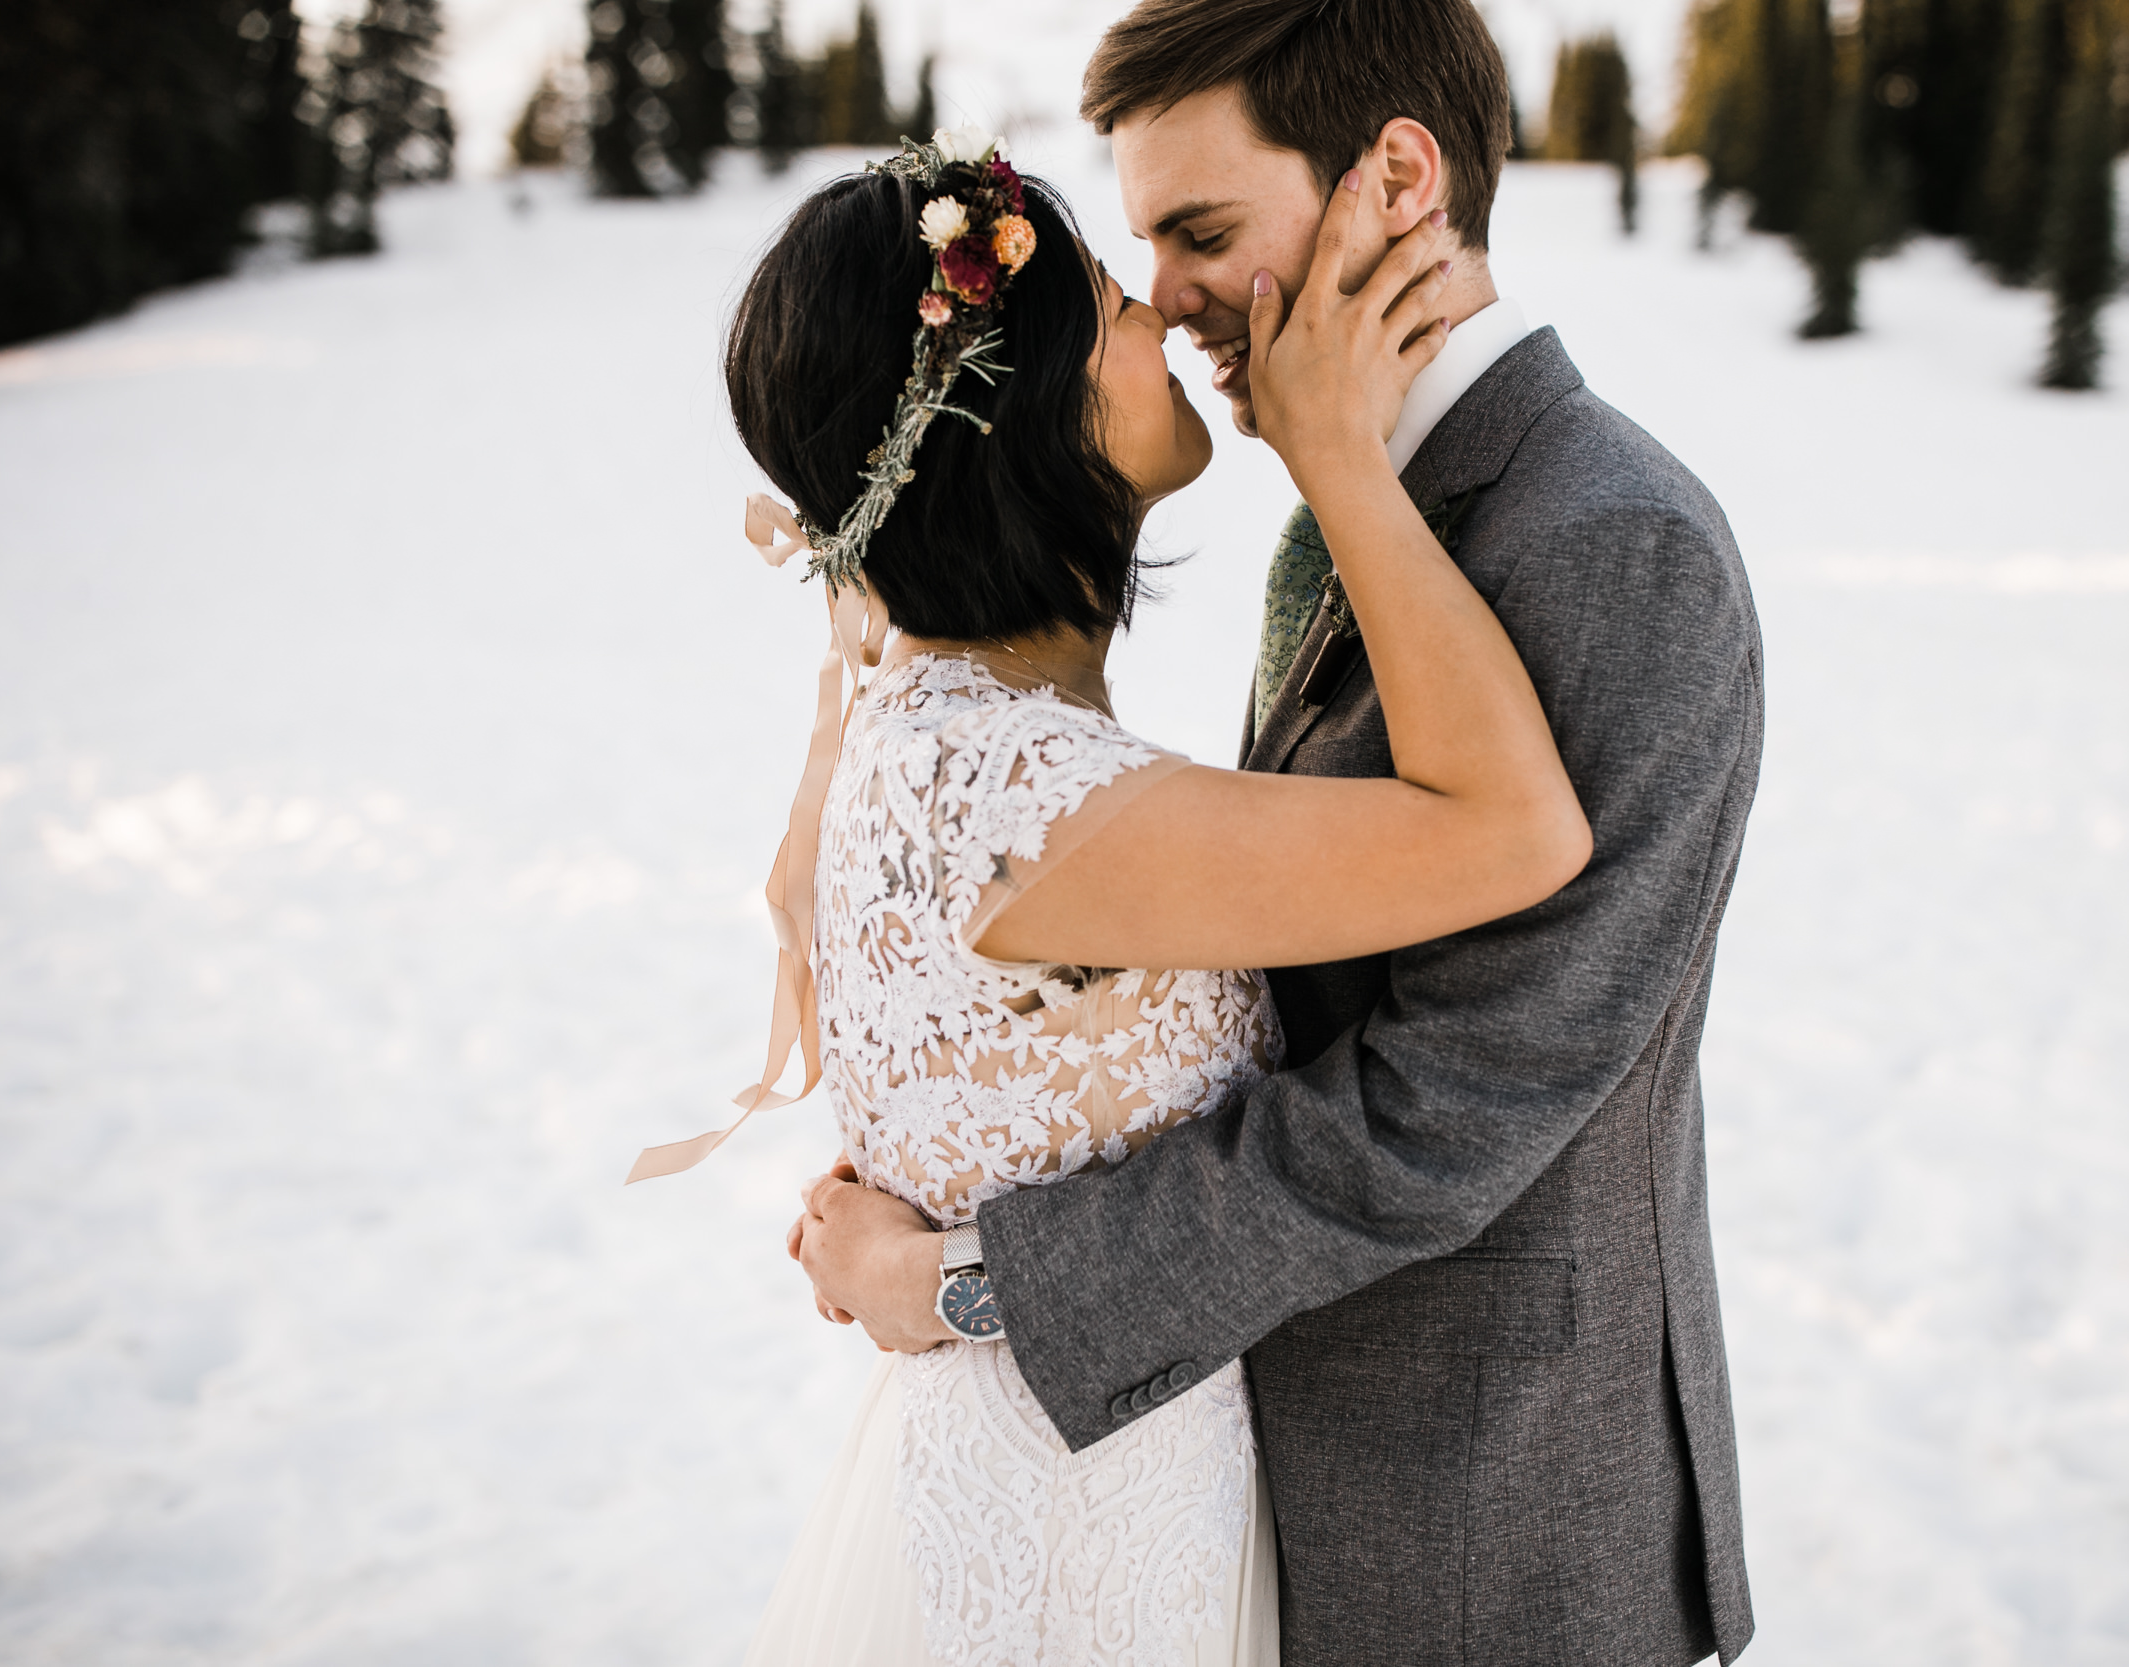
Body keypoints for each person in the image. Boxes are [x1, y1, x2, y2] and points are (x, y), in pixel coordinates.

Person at [791, 3, 1765, 1665]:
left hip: (1478, 1535)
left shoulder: (1613, 547)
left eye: (1204, 232)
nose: (1162, 297)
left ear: (1398, 178)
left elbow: (1438, 1117)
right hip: (1231, 1507)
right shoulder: (1346, 513)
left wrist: (979, 1286)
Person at [676, 120, 1591, 1667]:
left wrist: (936, 1276)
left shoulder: (913, 727)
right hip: (1084, 1570)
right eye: (1109, 303)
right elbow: (1517, 834)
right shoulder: (1029, 800)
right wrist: (1339, 456)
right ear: (1011, 417)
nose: (1161, 313)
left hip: (1052, 1498)